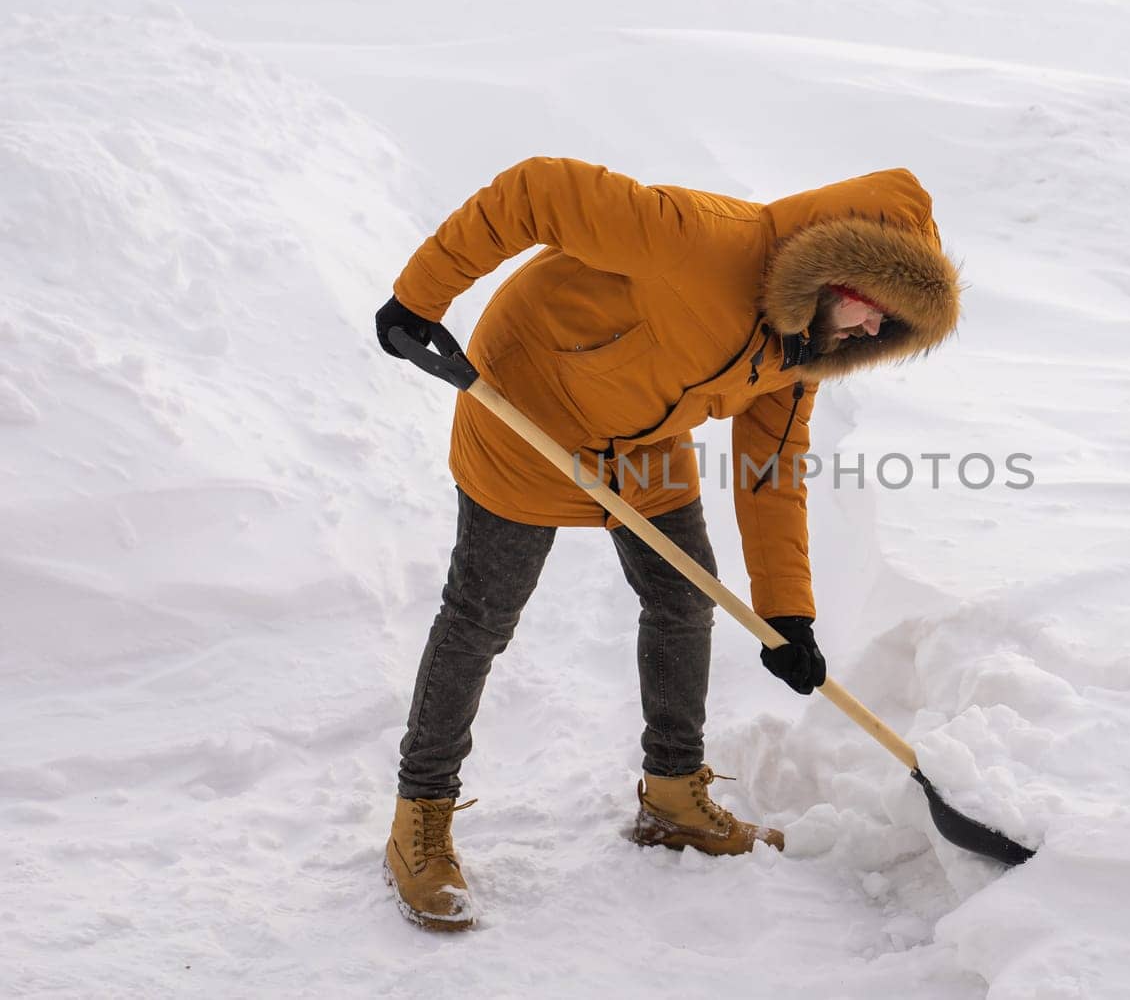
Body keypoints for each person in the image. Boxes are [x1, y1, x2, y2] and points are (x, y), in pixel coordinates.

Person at [374, 157, 961, 931]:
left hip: (640, 440)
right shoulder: (699, 240)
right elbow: (536, 191)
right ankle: (420, 817)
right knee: (481, 616)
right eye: (877, 309)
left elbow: (772, 470)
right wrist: (419, 298)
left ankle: (674, 795)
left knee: (685, 600)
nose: (876, 331)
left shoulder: (801, 350)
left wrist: (790, 616)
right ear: (834, 270)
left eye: (891, 327)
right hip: (527, 405)